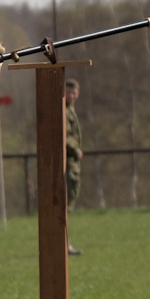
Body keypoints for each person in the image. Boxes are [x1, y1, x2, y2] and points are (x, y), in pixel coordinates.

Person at [65, 78, 83, 255]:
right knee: (65, 206)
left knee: (68, 206)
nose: (71, 95)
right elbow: (65, 135)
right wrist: (74, 148)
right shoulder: (64, 111)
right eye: (68, 92)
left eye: (73, 92)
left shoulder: (70, 110)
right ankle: (64, 244)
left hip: (72, 163)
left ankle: (65, 243)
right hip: (68, 163)